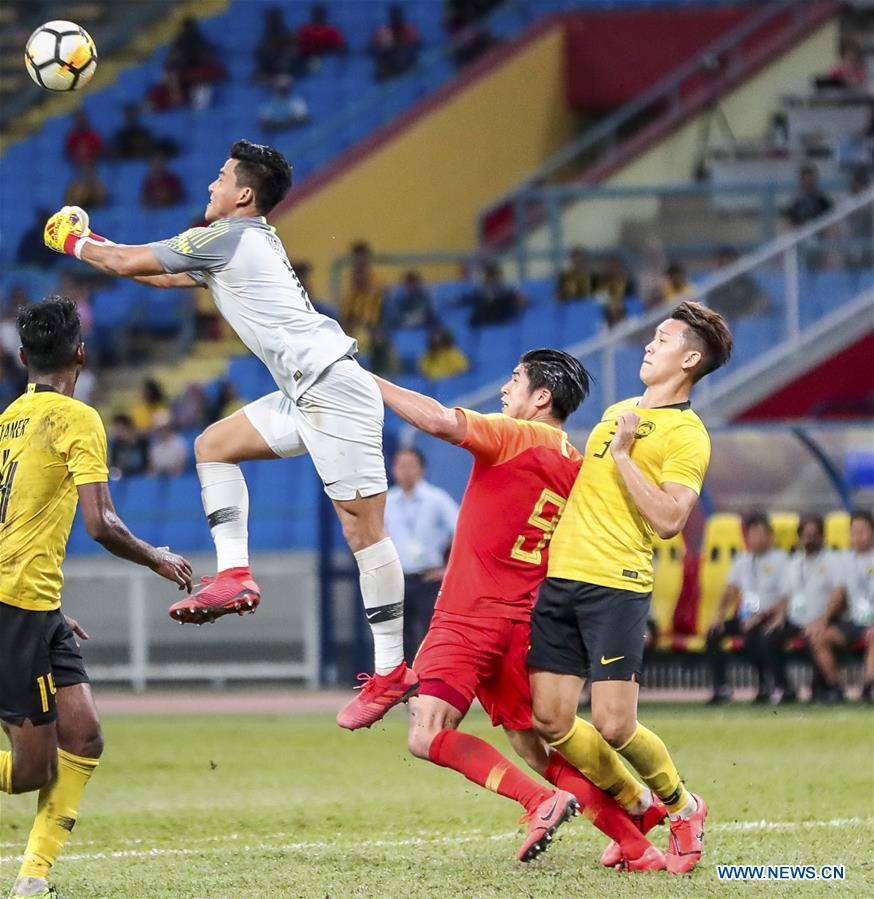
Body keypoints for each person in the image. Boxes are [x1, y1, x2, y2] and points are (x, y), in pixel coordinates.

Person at [43, 140, 413, 728]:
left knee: (363, 530)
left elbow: (127, 265)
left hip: (332, 387)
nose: (210, 186)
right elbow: (156, 277)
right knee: (212, 445)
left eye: (220, 177)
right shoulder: (237, 245)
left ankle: (392, 669)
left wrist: (73, 240)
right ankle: (235, 574)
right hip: (304, 390)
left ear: (244, 193)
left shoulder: (230, 237)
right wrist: (100, 246)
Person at [375, 350, 667, 869]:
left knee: (426, 732)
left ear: (541, 398)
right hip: (522, 621)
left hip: (469, 616)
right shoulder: (575, 464)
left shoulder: (515, 435)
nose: (504, 389)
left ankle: (540, 801)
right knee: (536, 748)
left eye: (515, 379)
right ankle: (637, 833)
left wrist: (364, 379)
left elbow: (441, 420)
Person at [527, 301, 733, 875]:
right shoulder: (617, 411)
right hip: (561, 581)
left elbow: (670, 520)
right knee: (550, 721)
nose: (648, 345)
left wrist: (622, 453)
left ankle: (683, 806)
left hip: (615, 584)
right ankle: (638, 808)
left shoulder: (688, 435)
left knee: (615, 724)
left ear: (689, 359)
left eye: (662, 339)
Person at [0, 296, 191, 899]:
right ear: (81, 353)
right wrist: (158, 555)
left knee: (83, 736)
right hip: (16, 608)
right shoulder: (78, 418)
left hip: (33, 606)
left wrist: (49, 609)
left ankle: (33, 878)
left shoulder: (8, 418)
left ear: (24, 356)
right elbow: (101, 522)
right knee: (33, 770)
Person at [705, 513, 790, 705]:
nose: (755, 539)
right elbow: (730, 591)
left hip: (771, 617)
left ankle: (770, 685)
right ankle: (722, 688)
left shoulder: (781, 560)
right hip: (746, 617)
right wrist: (718, 615)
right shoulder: (742, 561)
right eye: (752, 534)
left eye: (760, 534)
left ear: (770, 536)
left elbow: (786, 596)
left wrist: (760, 616)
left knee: (758, 637)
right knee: (713, 634)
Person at [384, 448, 458, 662]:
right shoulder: (386, 501)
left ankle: (429, 683)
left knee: (431, 634)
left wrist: (448, 569)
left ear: (421, 469)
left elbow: (461, 530)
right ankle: (399, 684)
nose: (405, 471)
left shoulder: (436, 499)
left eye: (410, 465)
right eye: (400, 466)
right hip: (397, 579)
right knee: (396, 638)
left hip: (429, 579)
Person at [764, 515, 838, 703]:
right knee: (769, 637)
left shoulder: (832, 561)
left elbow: (839, 596)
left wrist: (822, 619)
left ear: (822, 536)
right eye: (805, 535)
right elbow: (786, 595)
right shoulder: (794, 563)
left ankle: (822, 688)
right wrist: (779, 617)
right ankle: (784, 688)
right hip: (796, 619)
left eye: (814, 535)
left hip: (820, 620)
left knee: (814, 639)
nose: (810, 539)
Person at [806, 510, 874, 703]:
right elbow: (838, 593)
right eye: (854, 532)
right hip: (854, 621)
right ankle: (835, 687)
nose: (857, 536)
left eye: (862, 531)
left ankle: (868, 687)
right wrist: (823, 620)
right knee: (820, 638)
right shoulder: (845, 560)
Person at [706, 246, 769, 322]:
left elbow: (762, 303)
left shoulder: (746, 282)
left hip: (748, 322)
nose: (727, 268)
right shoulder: (712, 288)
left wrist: (749, 316)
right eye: (722, 264)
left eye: (729, 263)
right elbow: (712, 312)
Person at [339, 241, 385, 345]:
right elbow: (345, 317)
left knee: (363, 340)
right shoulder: (350, 292)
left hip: (374, 332)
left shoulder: (378, 288)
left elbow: (375, 319)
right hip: (355, 331)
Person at [464, 262, 526, 327]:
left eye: (497, 276)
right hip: (486, 313)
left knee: (502, 299)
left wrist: (519, 298)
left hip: (500, 312)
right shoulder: (481, 290)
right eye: (492, 276)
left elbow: (519, 298)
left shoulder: (506, 289)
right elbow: (469, 298)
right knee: (483, 299)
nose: (497, 278)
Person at [369, 5, 421, 82]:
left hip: (404, 61)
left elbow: (415, 47)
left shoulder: (409, 30)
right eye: (394, 18)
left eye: (397, 18)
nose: (396, 21)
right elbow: (372, 49)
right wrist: (385, 48)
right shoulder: (383, 32)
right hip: (389, 61)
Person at [782, 164, 833, 228]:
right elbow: (790, 221)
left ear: (815, 180)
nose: (808, 183)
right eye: (806, 180)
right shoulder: (795, 202)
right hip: (801, 233)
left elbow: (830, 218)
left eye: (811, 180)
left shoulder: (823, 200)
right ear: (801, 180)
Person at [147, 410, 188, 476]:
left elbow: (181, 467)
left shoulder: (180, 443)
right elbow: (152, 468)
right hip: (158, 479)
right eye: (159, 429)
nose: (162, 431)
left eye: (164, 428)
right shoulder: (154, 445)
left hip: (176, 479)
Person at [108, 413, 148, 479]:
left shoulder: (142, 443)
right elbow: (114, 465)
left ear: (128, 427)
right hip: (124, 480)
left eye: (120, 429)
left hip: (141, 479)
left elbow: (147, 465)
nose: (117, 432)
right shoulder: (116, 446)